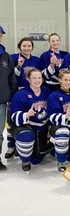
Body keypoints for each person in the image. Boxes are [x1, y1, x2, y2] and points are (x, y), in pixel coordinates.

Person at [9, 68, 51, 172]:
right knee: (26, 136)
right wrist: (26, 114)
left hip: (42, 128)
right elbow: (13, 116)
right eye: (34, 78)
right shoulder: (20, 94)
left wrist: (50, 127)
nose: (37, 80)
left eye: (39, 78)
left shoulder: (47, 92)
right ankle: (25, 160)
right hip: (25, 126)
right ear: (28, 79)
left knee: (37, 159)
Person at [0, 25, 18, 170]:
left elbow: (12, 78)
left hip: (1, 101)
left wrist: (11, 97)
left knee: (0, 133)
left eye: (0, 34)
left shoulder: (6, 57)